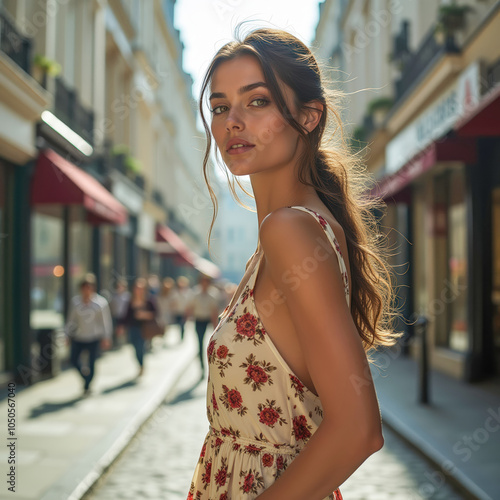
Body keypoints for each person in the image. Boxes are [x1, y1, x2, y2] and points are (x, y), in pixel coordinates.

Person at [187, 27, 404, 499]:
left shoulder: (290, 230)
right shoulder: (289, 232)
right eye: (220, 107)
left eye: (257, 101)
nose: (232, 122)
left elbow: (359, 429)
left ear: (308, 117)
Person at [65, 273, 112, 396]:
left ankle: (87, 385)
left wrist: (106, 337)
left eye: (89, 287)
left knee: (92, 363)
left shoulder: (100, 303)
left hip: (94, 337)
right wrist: (67, 335)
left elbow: (105, 321)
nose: (87, 290)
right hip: (79, 337)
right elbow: (71, 320)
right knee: (74, 360)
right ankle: (85, 378)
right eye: (85, 287)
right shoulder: (76, 302)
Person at [118, 278, 157, 377]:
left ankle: (142, 365)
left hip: (144, 328)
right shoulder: (131, 301)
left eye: (140, 288)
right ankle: (140, 364)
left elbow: (155, 313)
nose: (138, 290)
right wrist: (121, 326)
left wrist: (144, 315)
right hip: (133, 328)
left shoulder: (149, 301)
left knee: (141, 347)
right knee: (135, 348)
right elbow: (126, 315)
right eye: (137, 288)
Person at [185, 274, 221, 376]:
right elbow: (190, 307)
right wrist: (187, 320)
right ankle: (201, 366)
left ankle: (212, 364)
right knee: (200, 342)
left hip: (208, 320)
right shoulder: (195, 293)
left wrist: (215, 327)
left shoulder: (213, 294)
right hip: (199, 320)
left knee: (211, 344)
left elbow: (214, 311)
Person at [109, 278, 131, 347]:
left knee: (123, 328)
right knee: (116, 329)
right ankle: (116, 342)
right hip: (116, 315)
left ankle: (124, 341)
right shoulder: (114, 296)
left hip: (124, 316)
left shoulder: (128, 296)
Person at [170, 275, 193, 341]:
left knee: (182, 324)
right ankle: (179, 335)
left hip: (184, 311)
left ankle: (182, 336)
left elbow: (190, 302)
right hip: (177, 311)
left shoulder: (188, 291)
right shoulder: (175, 291)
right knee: (178, 324)